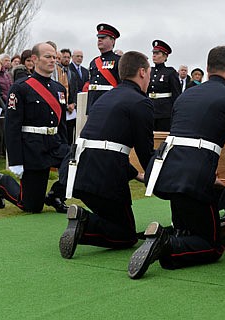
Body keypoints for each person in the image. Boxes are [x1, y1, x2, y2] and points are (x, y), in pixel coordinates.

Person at [128, 45, 225, 279]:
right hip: (195, 178)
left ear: (207, 69)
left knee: (185, 229)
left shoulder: (186, 96)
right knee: (212, 245)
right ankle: (165, 243)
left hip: (167, 170)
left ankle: (170, 239)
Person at [58, 51, 154, 259]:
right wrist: (158, 178)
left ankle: (85, 222)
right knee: (126, 235)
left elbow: (105, 142)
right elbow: (145, 152)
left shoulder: (105, 98)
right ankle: (84, 223)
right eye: (148, 73)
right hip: (104, 177)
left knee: (113, 219)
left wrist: (135, 174)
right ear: (142, 72)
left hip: (78, 171)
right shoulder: (140, 102)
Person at [0, 42, 69, 213]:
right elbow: (12, 126)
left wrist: (66, 146)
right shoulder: (20, 87)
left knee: (77, 164)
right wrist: (16, 161)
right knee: (32, 206)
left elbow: (61, 124)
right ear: (34, 59)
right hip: (33, 147)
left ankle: (56, 195)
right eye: (48, 57)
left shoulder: (59, 89)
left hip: (55, 144)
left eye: (54, 57)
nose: (52, 60)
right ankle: (0, 182)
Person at [86, 23, 121, 113]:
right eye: (98, 38)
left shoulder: (119, 61)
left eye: (103, 38)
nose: (100, 40)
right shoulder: (94, 62)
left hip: (109, 105)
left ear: (113, 41)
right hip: (93, 105)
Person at [147, 39, 181, 132]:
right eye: (153, 53)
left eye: (157, 53)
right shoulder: (149, 71)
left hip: (165, 112)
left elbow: (176, 94)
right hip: (150, 109)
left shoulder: (170, 72)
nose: (154, 55)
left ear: (165, 56)